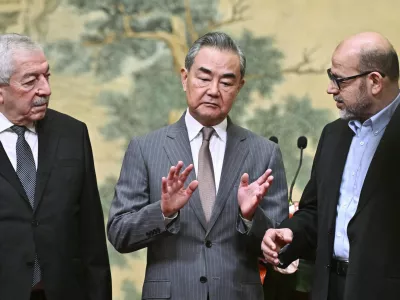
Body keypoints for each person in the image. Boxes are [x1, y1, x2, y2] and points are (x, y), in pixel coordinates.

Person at [107, 32, 288, 300]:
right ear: (185, 78)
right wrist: (163, 212)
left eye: (226, 81)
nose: (214, 90)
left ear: (239, 87)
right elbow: (120, 233)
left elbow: (279, 247)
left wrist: (250, 217)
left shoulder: (264, 153)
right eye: (204, 78)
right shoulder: (145, 149)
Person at [261, 31, 400, 300]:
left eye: (339, 80)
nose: (330, 88)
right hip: (328, 288)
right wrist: (291, 232)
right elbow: (314, 210)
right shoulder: (333, 134)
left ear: (374, 81)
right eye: (330, 76)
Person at [0, 33, 111, 300]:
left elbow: (92, 238)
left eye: (46, 76)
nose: (45, 89)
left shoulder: (72, 134)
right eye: (31, 81)